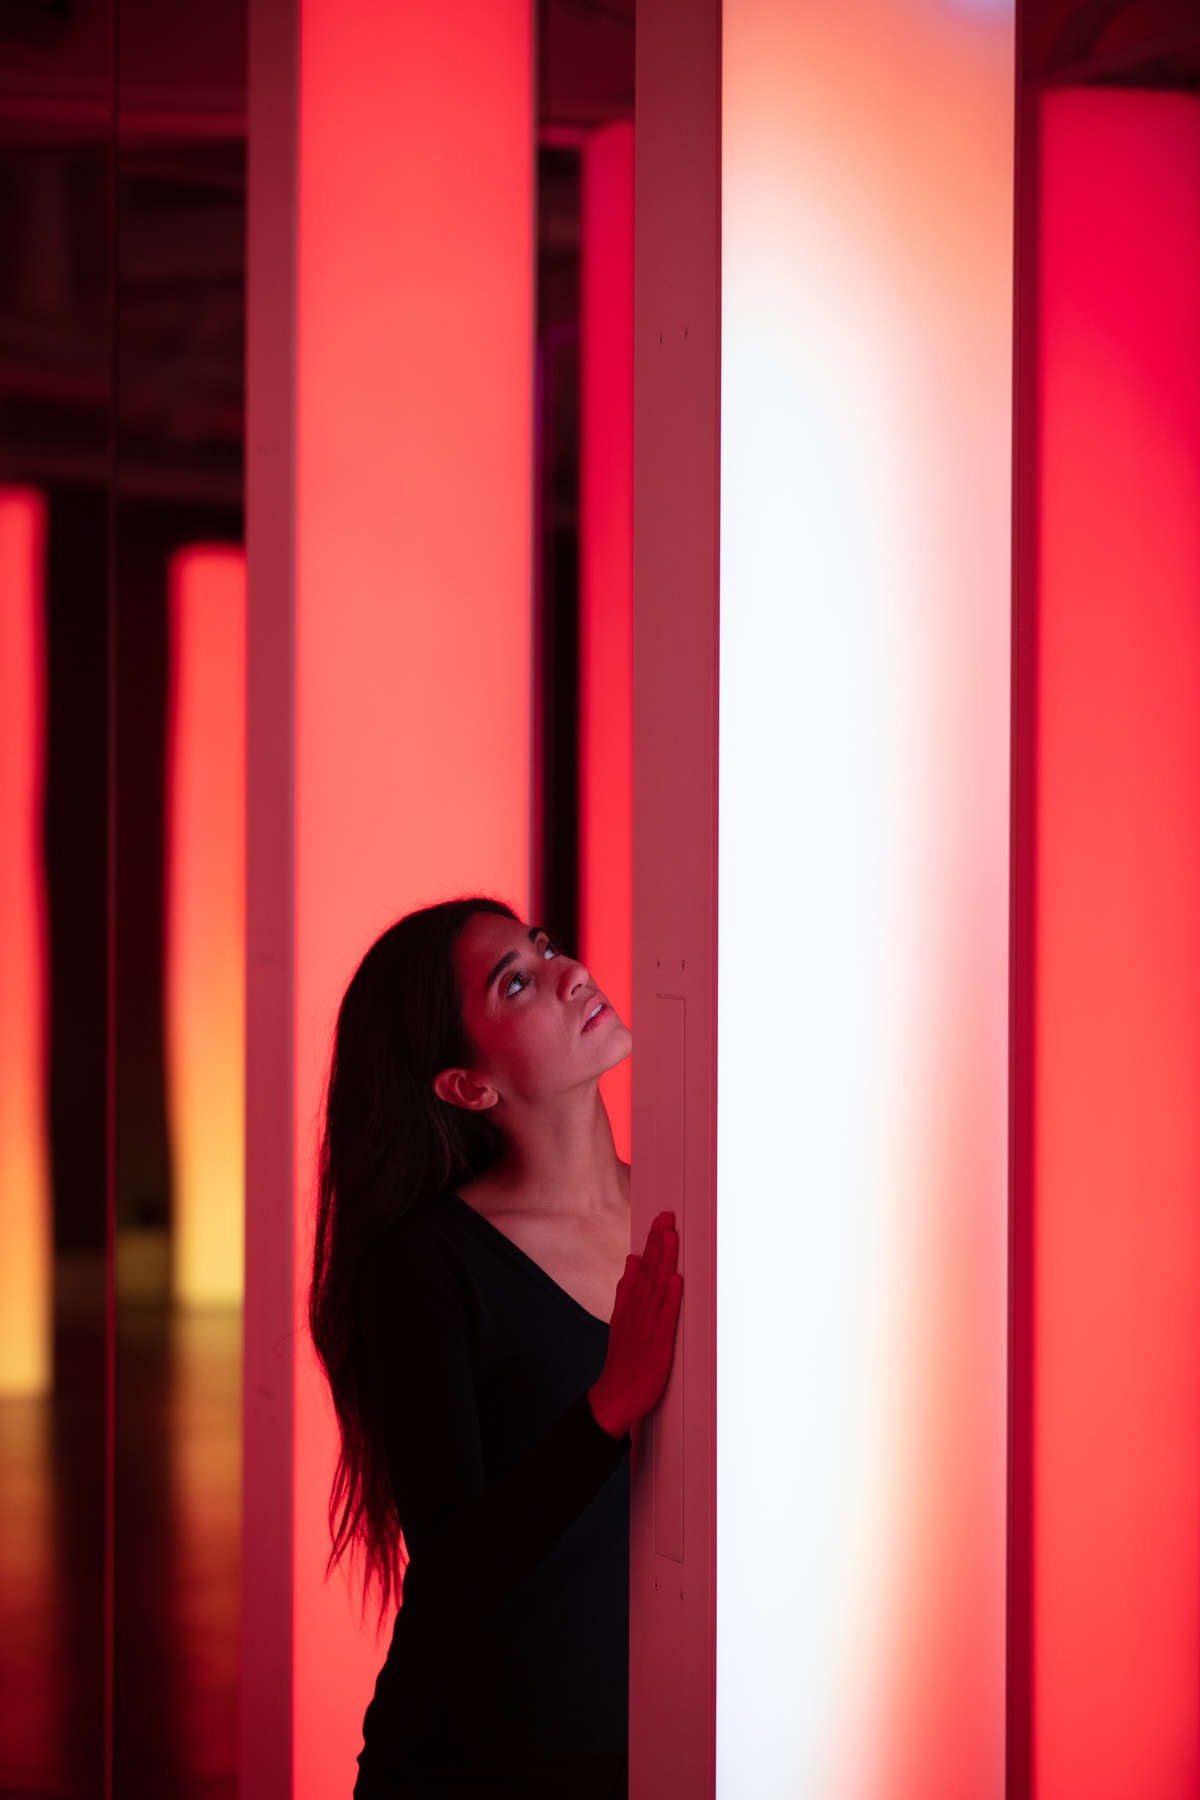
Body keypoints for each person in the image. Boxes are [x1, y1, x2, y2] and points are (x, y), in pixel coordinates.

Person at [309, 897, 682, 1799]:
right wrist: (610, 1405)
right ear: (467, 1085)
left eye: (545, 948)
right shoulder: (428, 1264)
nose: (571, 973)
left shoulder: (689, 1203)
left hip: (672, 1741)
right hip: (475, 1759)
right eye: (517, 982)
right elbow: (457, 1569)